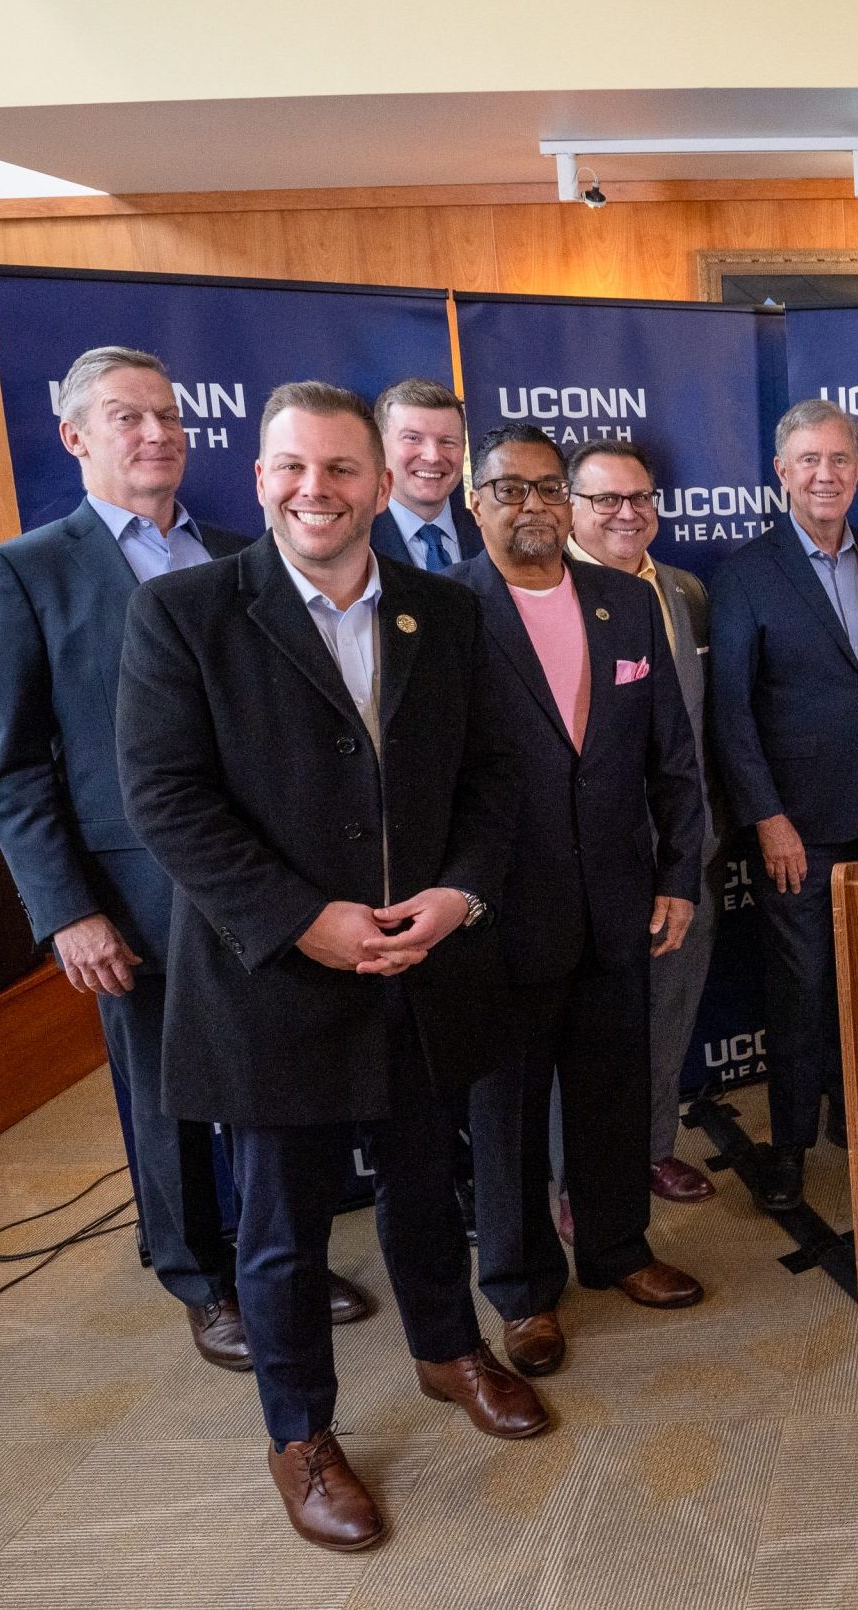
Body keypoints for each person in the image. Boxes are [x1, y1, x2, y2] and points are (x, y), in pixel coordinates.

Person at [118, 382, 548, 1552]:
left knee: (426, 1183)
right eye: (293, 468)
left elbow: (494, 777)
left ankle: (446, 1350)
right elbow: (165, 798)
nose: (318, 490)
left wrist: (459, 894)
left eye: (342, 469)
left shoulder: (445, 612)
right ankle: (300, 1430)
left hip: (423, 962)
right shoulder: (186, 613)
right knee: (281, 1228)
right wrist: (303, 917)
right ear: (259, 478)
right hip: (273, 979)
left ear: (383, 479)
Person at [0, 346, 373, 1374]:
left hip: (270, 883)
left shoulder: (248, 549)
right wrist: (65, 909)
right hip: (133, 898)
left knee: (275, 1081)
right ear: (75, 437)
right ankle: (199, 1275)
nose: (156, 434)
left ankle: (282, 1251)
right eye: (126, 418)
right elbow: (12, 768)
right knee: (169, 1096)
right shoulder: (22, 572)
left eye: (168, 416)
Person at [449, 424, 711, 1378]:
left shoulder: (624, 603)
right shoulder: (444, 612)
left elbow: (672, 759)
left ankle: (616, 1251)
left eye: (549, 489)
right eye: (509, 489)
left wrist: (679, 876)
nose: (532, 506)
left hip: (617, 900)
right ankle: (521, 1295)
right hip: (501, 916)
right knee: (508, 1113)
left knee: (610, 1092)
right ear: (474, 502)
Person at [709, 398, 858, 1212]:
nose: (825, 475)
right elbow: (731, 710)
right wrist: (768, 818)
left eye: (839, 460)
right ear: (782, 473)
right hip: (798, 826)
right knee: (799, 992)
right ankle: (788, 1144)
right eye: (808, 461)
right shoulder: (746, 574)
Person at [566, 439, 724, 1208]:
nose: (627, 515)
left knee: (669, 1012)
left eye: (640, 499)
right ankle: (573, 1179)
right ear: (569, 505)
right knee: (584, 1033)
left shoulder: (686, 591)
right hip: (591, 859)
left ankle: (654, 1147)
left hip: (686, 848)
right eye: (606, 501)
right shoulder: (545, 593)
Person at [369, 378, 481, 573]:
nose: (433, 456)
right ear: (378, 447)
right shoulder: (353, 539)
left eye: (447, 441)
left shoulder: (491, 535)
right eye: (412, 438)